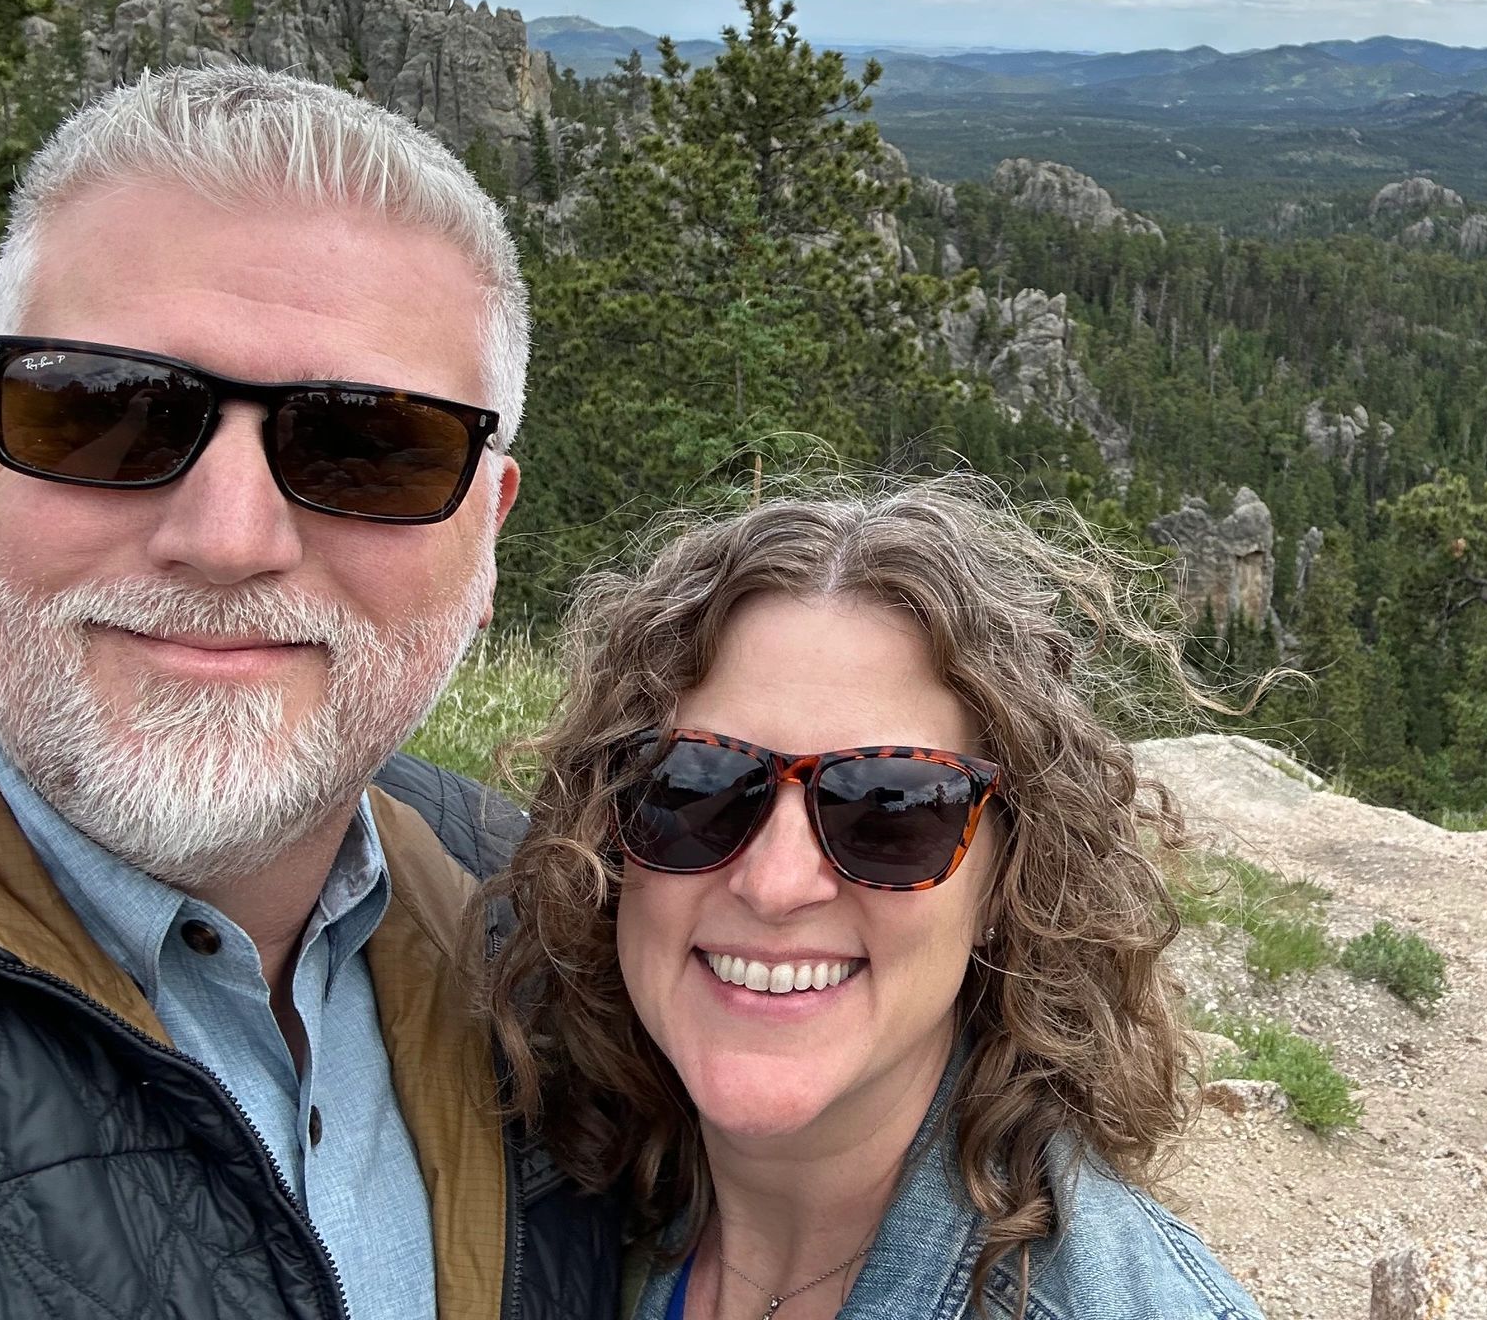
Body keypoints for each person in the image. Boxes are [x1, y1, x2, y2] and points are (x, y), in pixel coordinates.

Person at [0, 66, 624, 1318]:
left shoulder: (549, 936)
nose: (228, 537)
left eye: (369, 449)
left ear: (488, 535)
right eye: (103, 413)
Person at [480, 479, 1267, 1320]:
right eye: (695, 789)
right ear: (608, 834)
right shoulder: (555, 1207)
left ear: (1009, 879)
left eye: (890, 809)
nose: (775, 884)